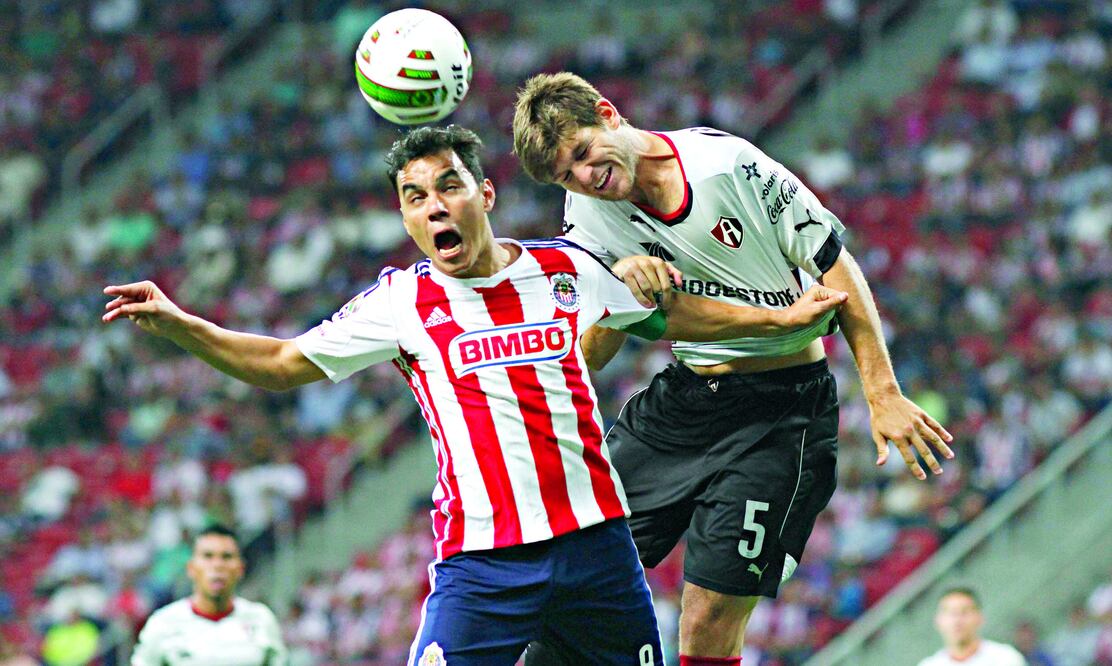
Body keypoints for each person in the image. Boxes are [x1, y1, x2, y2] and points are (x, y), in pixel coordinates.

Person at [103, 126, 846, 665]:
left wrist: (778, 318)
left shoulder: (569, 270)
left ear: (484, 194)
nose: (433, 207)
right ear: (403, 216)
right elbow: (280, 360)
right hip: (484, 566)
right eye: (414, 196)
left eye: (449, 186)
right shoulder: (398, 304)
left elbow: (674, 314)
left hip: (597, 550)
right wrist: (182, 325)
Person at [513, 72, 955, 665]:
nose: (585, 177)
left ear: (608, 113)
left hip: (783, 414)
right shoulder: (589, 215)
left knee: (708, 618)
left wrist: (883, 392)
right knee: (571, 578)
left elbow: (835, 265)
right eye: (566, 175)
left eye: (584, 154)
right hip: (685, 402)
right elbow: (612, 327)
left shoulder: (726, 164)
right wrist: (607, 304)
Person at [130, 524, 288, 666]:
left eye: (226, 557)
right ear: (191, 568)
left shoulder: (261, 620)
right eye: (208, 556)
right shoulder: (163, 624)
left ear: (240, 568)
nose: (217, 565)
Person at [919, 588, 1027, 666]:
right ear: (938, 621)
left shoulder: (1005, 659)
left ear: (979, 618)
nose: (957, 620)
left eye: (964, 612)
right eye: (951, 613)